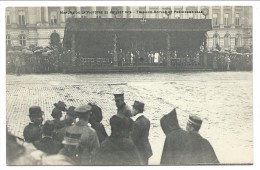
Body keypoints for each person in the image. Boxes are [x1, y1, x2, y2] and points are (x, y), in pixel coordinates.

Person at [130, 101, 153, 165]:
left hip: (139, 151)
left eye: (133, 109)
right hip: (146, 150)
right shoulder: (147, 120)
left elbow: (134, 139)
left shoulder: (137, 123)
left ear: (136, 110)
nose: (131, 110)